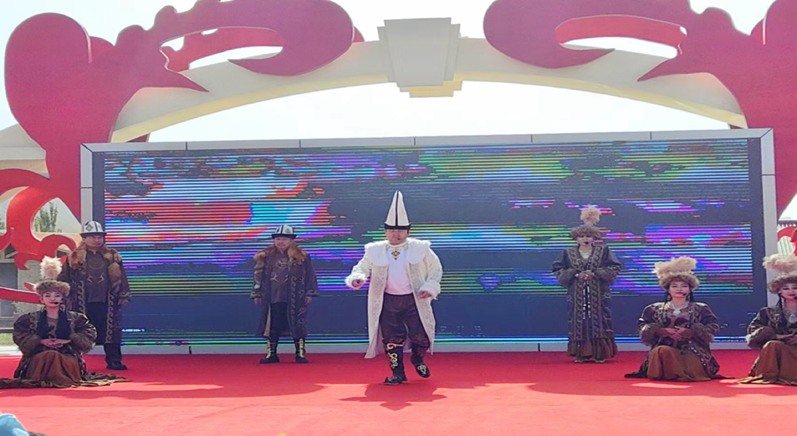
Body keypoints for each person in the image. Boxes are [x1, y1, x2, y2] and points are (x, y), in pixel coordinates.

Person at [345, 191, 443, 385]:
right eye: (391, 231)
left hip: (414, 299)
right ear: (385, 232)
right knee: (391, 338)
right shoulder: (375, 250)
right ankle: (398, 373)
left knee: (421, 335)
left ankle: (418, 359)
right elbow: (362, 267)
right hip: (388, 300)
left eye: (400, 231)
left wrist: (429, 286)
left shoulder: (420, 248)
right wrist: (357, 278)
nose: (395, 234)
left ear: (407, 231)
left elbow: (436, 270)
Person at [0, 257, 125, 388]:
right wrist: (40, 341)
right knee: (49, 355)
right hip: (38, 356)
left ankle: (58, 378)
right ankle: (52, 379)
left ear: (62, 299)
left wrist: (69, 340)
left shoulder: (77, 318)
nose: (52, 299)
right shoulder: (28, 319)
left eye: (57, 296)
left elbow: (88, 338)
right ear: (41, 299)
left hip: (67, 354)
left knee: (55, 356)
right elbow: (20, 337)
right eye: (47, 296)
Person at [625, 256, 723, 381]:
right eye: (675, 286)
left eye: (683, 286)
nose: (679, 289)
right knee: (661, 351)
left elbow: (713, 326)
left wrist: (692, 332)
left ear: (690, 289)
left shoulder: (701, 308)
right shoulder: (653, 308)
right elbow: (642, 325)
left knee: (691, 368)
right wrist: (660, 331)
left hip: (693, 350)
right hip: (665, 347)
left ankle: (679, 372)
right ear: (668, 289)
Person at [58, 221, 132, 371]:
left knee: (111, 331)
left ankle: (114, 361)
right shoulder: (74, 257)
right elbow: (64, 278)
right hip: (80, 301)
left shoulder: (112, 256)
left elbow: (122, 277)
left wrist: (124, 294)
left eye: (99, 237)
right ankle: (74, 362)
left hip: (108, 301)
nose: (96, 240)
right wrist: (61, 296)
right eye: (93, 237)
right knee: (78, 331)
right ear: (84, 239)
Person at [552, 206, 621, 363]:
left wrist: (596, 273)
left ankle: (600, 353)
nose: (585, 239)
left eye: (588, 236)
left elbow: (614, 267)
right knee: (579, 320)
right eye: (582, 236)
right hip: (576, 294)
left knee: (600, 319)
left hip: (599, 293)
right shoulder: (568, 253)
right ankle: (580, 352)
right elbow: (558, 269)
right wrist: (575, 274)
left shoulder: (603, 251)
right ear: (576, 238)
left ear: (594, 237)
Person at [252, 225, 319, 364]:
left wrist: (309, 292)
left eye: (284, 239)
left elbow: (310, 275)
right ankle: (272, 354)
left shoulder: (301, 257)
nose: (280, 242)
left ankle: (300, 354)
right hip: (272, 296)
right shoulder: (266, 256)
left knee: (297, 324)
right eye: (278, 239)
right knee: (272, 325)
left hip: (296, 296)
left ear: (291, 241)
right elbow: (258, 276)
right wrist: (257, 292)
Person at [736, 254, 797, 385]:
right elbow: (754, 330)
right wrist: (776, 336)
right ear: (779, 292)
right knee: (772, 345)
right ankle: (771, 374)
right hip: (781, 348)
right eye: (786, 288)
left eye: (795, 287)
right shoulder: (768, 312)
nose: (791, 291)